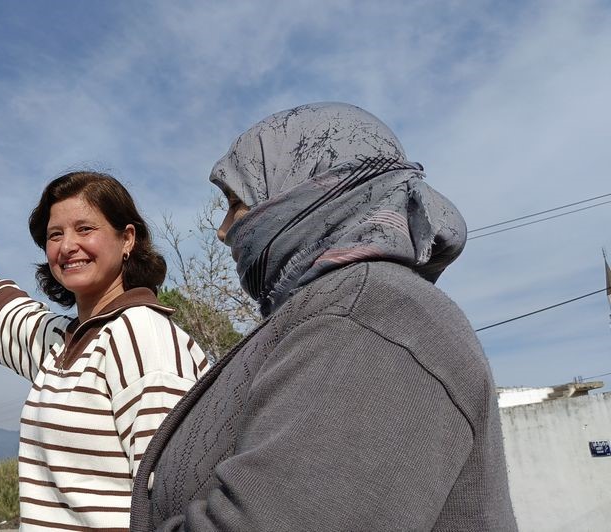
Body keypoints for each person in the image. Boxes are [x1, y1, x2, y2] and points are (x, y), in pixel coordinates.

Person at [129, 102, 517, 531]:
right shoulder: (335, 309)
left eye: (236, 203)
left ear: (310, 193)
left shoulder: (373, 315)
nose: (222, 231)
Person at [0, 170, 209, 531]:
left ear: (127, 239)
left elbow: (174, 497)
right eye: (55, 234)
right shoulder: (66, 340)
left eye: (85, 229)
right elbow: (14, 317)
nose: (67, 245)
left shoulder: (141, 335)